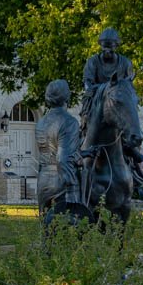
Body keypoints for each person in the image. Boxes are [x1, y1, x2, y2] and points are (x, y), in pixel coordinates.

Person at [81, 28, 143, 200]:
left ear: (116, 46)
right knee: (85, 130)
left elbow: (127, 85)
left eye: (110, 47)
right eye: (104, 47)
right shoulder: (93, 62)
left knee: (128, 125)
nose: (107, 50)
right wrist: (105, 90)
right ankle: (78, 161)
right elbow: (88, 85)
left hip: (118, 104)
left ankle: (135, 176)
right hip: (97, 103)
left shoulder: (125, 63)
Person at [35, 79, 82, 215]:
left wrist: (83, 154)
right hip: (62, 182)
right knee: (69, 229)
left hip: (43, 181)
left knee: (47, 230)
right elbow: (62, 158)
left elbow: (49, 150)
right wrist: (71, 187)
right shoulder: (69, 122)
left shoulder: (41, 122)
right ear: (67, 97)